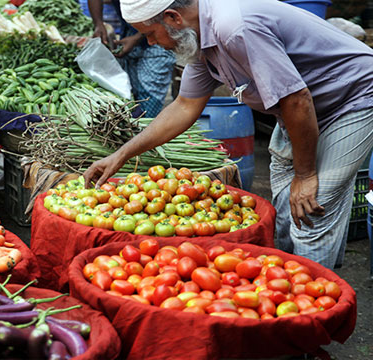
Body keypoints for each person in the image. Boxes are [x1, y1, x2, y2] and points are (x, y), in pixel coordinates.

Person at [83, 0, 373, 269]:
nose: (151, 42)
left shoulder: (235, 29)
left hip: (353, 98)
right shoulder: (199, 37)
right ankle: (298, 279)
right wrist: (121, 154)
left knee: (311, 208)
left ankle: (315, 310)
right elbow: (184, 106)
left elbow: (297, 99)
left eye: (150, 33)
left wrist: (306, 174)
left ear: (173, 18)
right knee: (286, 214)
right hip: (300, 111)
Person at [88, 0, 176, 117]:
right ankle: (134, 128)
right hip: (130, 29)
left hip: (160, 31)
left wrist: (137, 38)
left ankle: (147, 128)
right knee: (130, 90)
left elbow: (162, 14)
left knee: (149, 91)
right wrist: (98, 23)